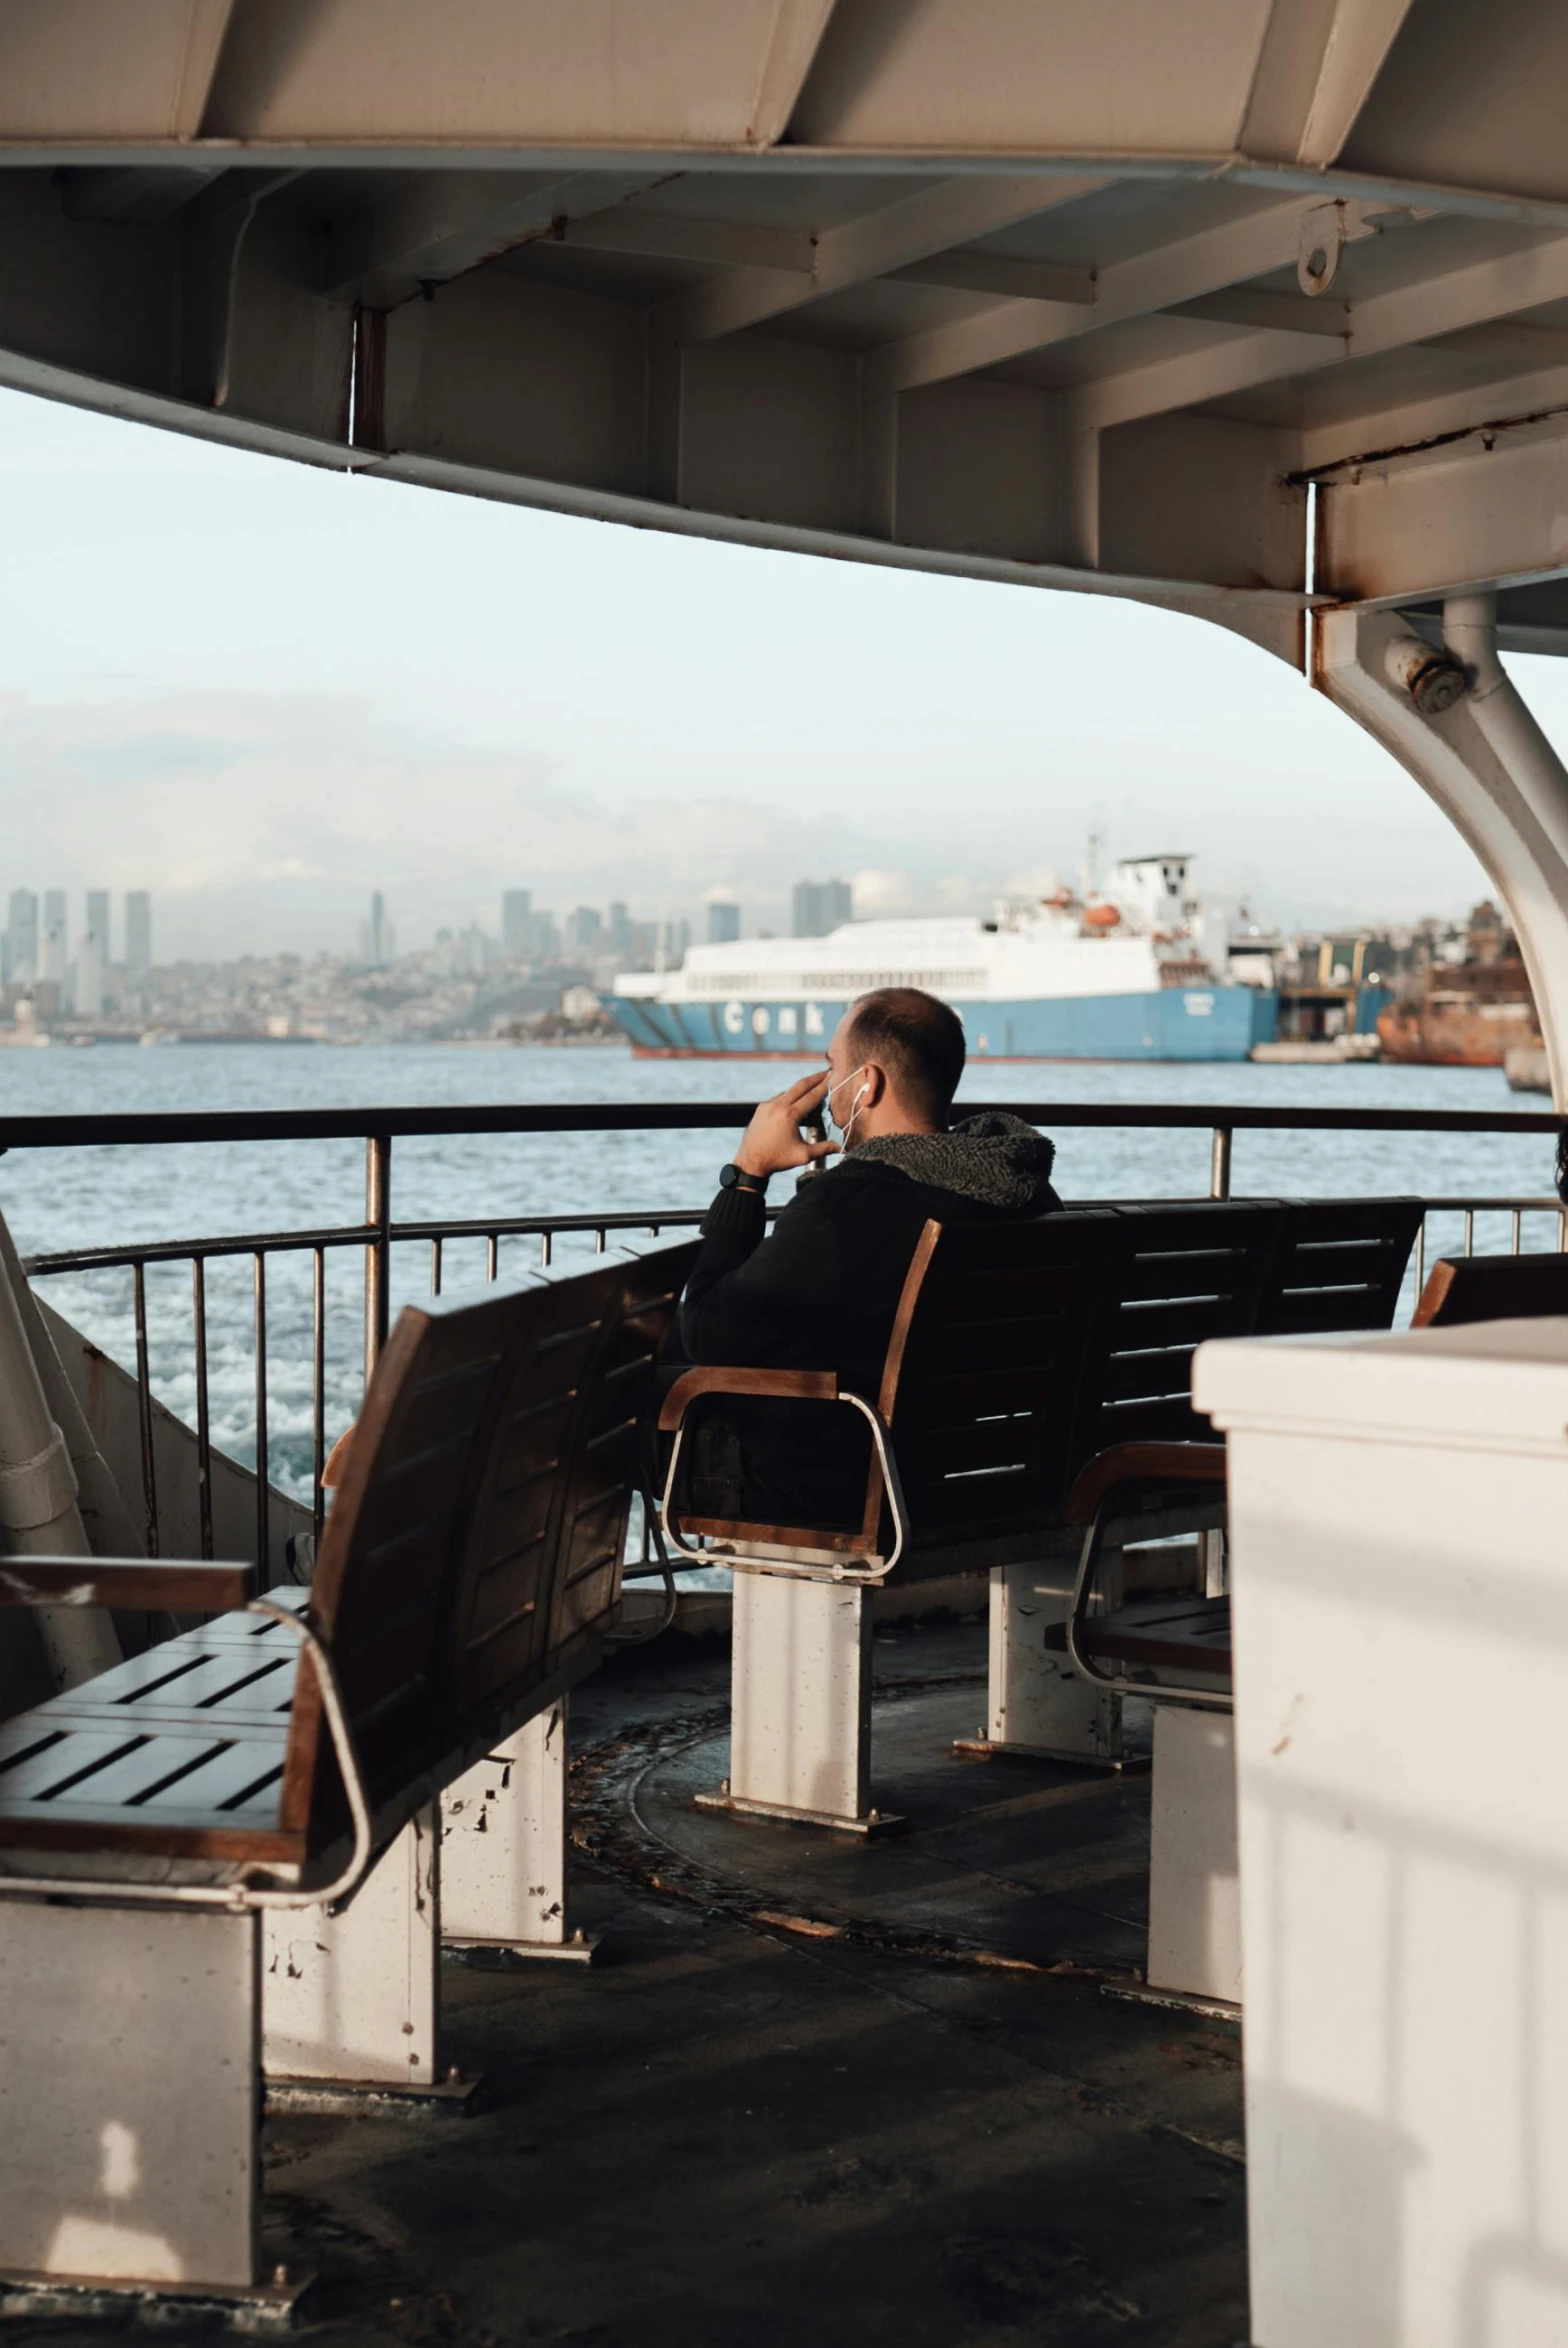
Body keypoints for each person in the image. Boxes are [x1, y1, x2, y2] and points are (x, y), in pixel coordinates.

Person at [674, 986, 1060, 1528]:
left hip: (855, 1491)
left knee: (627, 1403)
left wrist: (747, 1174)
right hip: (997, 1475)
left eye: (834, 1068)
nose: (828, 1089)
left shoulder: (848, 1203)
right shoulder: (1026, 1192)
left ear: (868, 1083)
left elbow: (708, 1334)